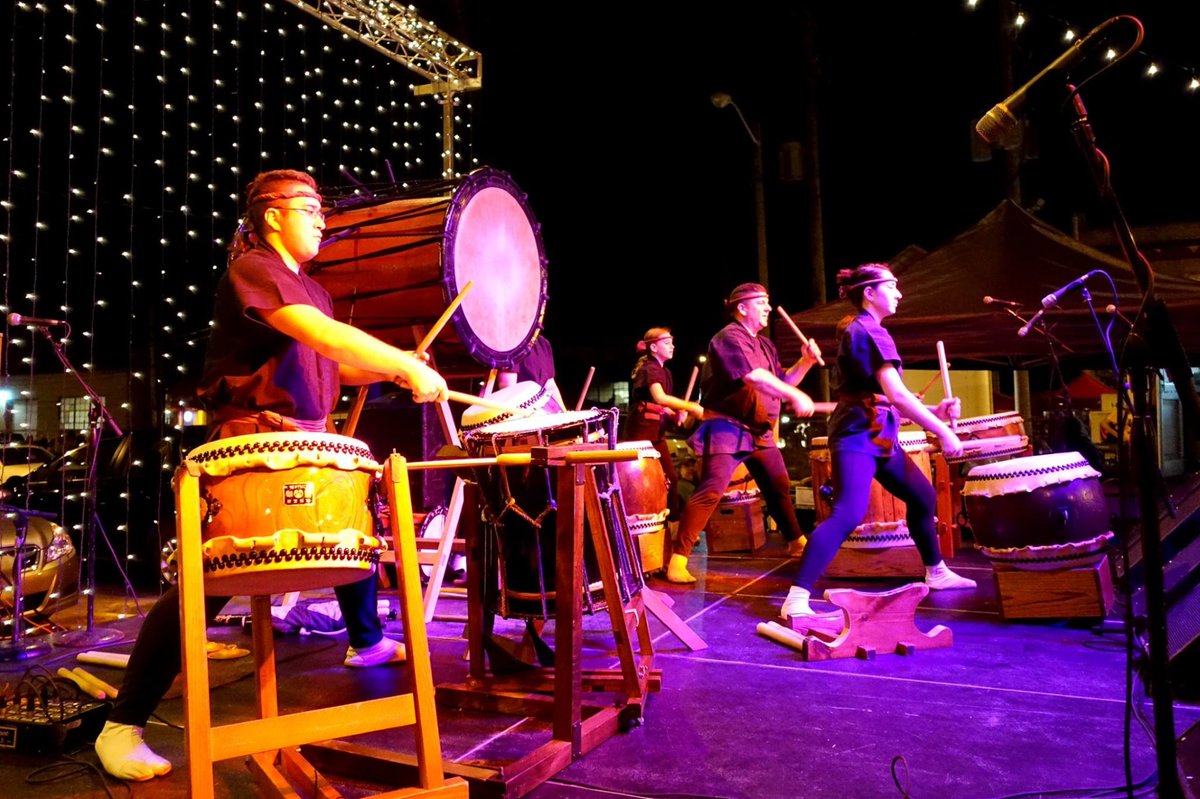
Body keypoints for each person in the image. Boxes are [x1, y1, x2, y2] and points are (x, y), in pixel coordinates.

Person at [94, 169, 449, 782]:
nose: (322, 220)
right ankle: (120, 725)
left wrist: (392, 370)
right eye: (311, 209)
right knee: (207, 587)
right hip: (251, 444)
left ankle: (366, 640)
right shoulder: (256, 268)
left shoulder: (315, 290)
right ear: (273, 215)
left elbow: (330, 361)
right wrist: (396, 359)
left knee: (346, 539)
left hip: (306, 438)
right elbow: (319, 336)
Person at [782, 263, 975, 625]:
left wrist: (935, 409)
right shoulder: (868, 332)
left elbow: (884, 397)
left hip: (879, 434)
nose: (899, 293)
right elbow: (898, 396)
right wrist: (945, 431)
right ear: (869, 293)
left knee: (922, 497)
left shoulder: (867, 331)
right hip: (857, 435)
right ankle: (795, 598)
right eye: (892, 286)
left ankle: (935, 571)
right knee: (848, 513)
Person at [667, 283, 821, 584]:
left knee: (778, 484)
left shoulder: (765, 345)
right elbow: (755, 377)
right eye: (761, 302)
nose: (767, 307)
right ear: (742, 308)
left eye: (768, 301)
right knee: (711, 490)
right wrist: (794, 394)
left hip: (758, 430)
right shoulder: (727, 338)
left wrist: (806, 361)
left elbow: (783, 380)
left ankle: (794, 541)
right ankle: (679, 558)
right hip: (727, 425)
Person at [623, 327, 704, 524]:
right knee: (639, 482)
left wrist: (675, 415)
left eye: (672, 342)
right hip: (639, 433)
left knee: (670, 479)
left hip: (656, 434)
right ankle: (636, 525)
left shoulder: (664, 371)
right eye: (667, 343)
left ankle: (672, 526)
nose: (672, 346)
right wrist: (689, 406)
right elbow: (660, 398)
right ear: (654, 347)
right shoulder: (648, 368)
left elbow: (660, 405)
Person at [495, 333, 567, 410]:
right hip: (519, 411)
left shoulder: (543, 343)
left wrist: (563, 411)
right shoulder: (511, 342)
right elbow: (508, 389)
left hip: (538, 410)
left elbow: (550, 385)